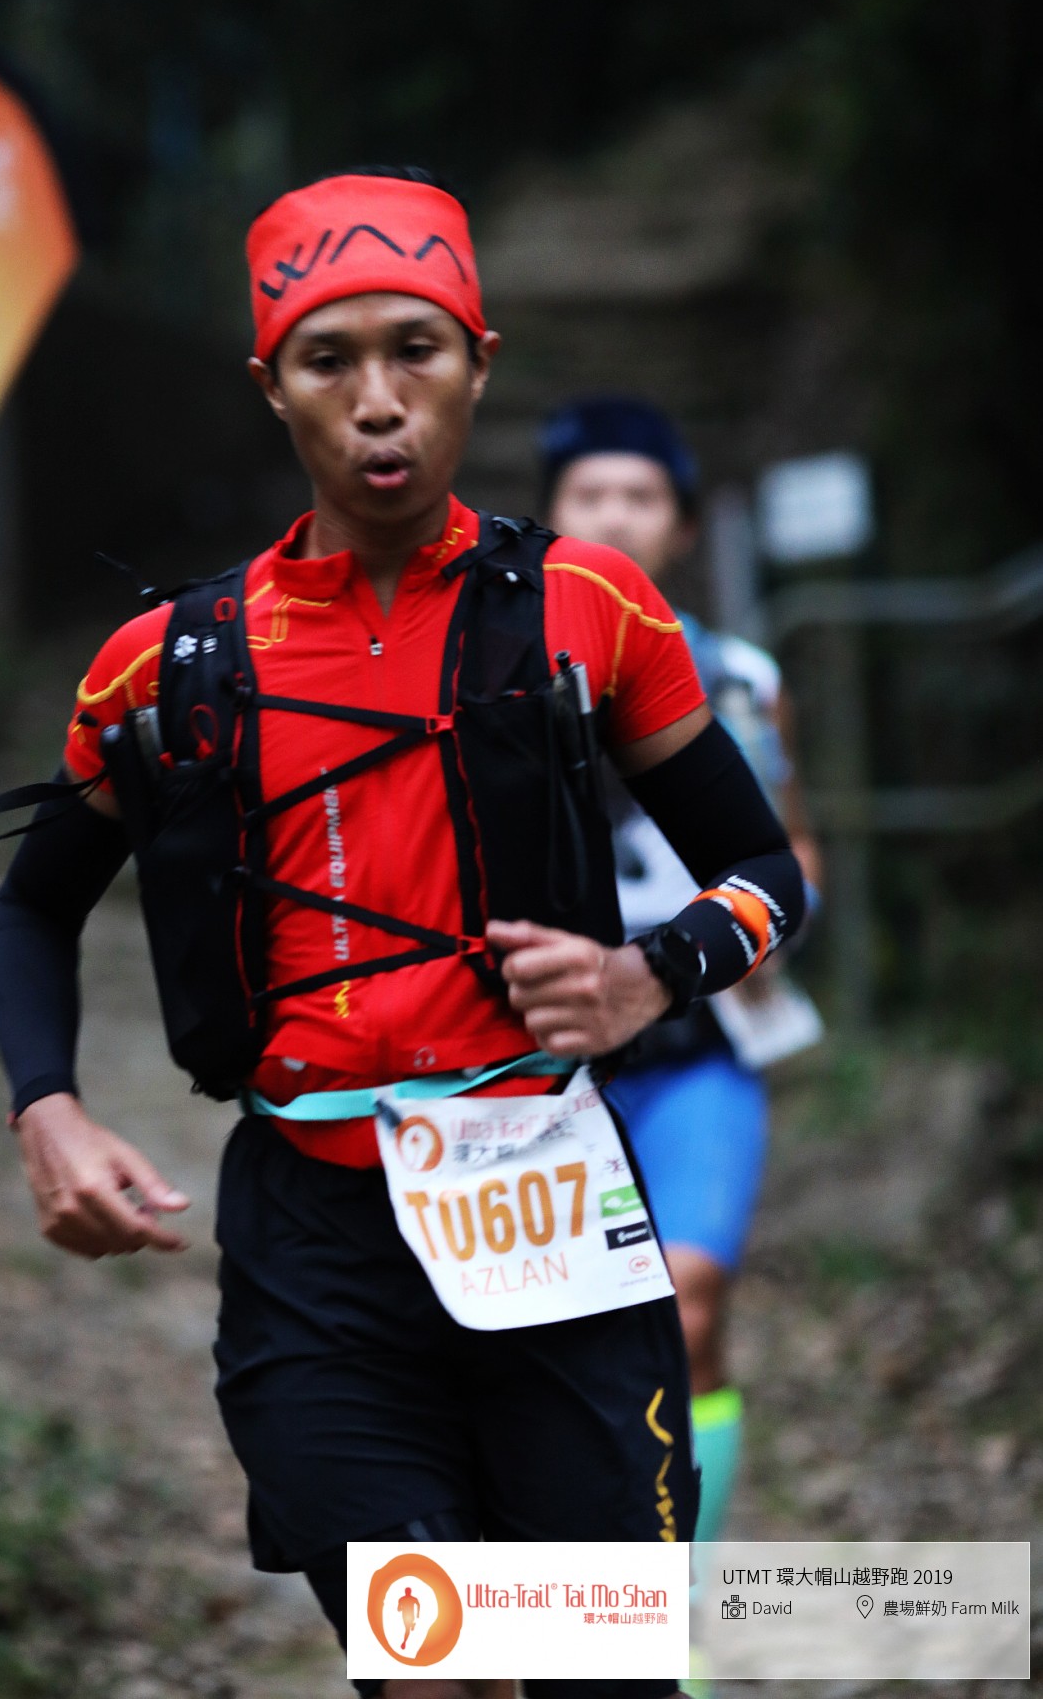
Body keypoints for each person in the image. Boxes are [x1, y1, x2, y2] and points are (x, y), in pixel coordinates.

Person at [0, 170, 807, 1699]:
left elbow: (763, 872)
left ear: (478, 365)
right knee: (424, 1668)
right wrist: (47, 1110)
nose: (376, 401)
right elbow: (34, 907)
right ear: (271, 386)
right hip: (315, 1247)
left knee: (591, 1675)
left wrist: (647, 974)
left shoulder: (591, 608)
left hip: (548, 1212)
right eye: (329, 359)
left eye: (414, 350)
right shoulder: (166, 664)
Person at [540, 394, 823, 1563]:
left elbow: (793, 848)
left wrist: (758, 927)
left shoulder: (742, 678)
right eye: (590, 494)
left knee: (690, 1307)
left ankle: (679, 1606)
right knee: (556, 1339)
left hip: (702, 1041)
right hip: (543, 1063)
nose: (615, 515)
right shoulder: (496, 677)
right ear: (550, 515)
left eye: (641, 495)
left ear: (685, 524)